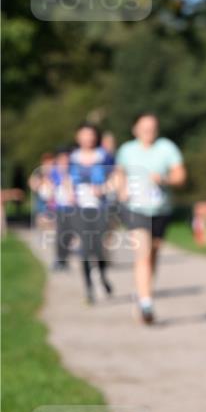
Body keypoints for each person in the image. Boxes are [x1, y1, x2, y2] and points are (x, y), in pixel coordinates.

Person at [114, 113, 186, 324]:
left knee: (153, 254)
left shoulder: (167, 148)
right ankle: (146, 303)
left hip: (160, 209)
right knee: (143, 254)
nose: (149, 132)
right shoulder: (127, 150)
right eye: (144, 128)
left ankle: (143, 293)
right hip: (135, 208)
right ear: (135, 129)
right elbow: (119, 173)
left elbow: (180, 176)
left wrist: (164, 179)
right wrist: (122, 189)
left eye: (152, 128)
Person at [69, 123, 114, 303]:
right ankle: (88, 289)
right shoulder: (73, 157)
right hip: (80, 208)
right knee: (84, 249)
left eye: (90, 135)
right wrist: (69, 193)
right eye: (84, 135)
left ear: (95, 137)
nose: (87, 138)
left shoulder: (105, 156)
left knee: (99, 248)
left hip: (100, 207)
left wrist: (104, 188)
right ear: (78, 137)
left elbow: (116, 177)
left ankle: (102, 277)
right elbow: (67, 178)